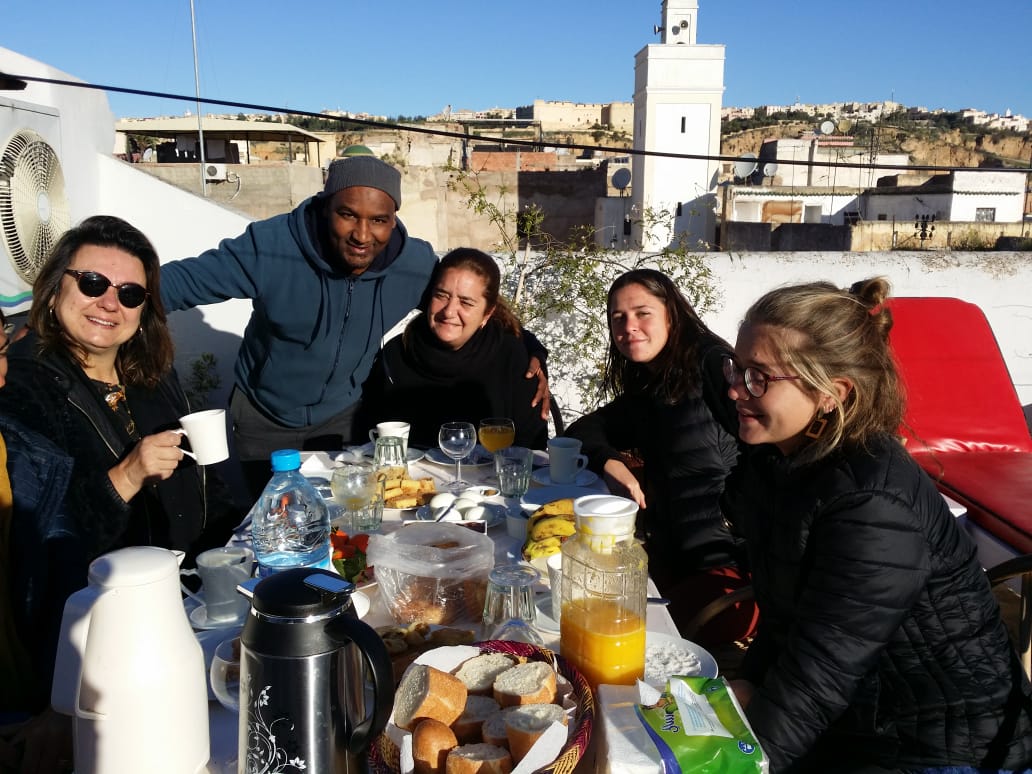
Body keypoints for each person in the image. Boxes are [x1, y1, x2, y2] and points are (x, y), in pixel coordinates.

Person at [722, 277, 1032, 772]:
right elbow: (793, 624)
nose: (737, 389)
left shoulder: (871, 500)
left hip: (940, 747)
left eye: (759, 377)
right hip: (861, 718)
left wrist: (744, 762)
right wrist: (749, 684)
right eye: (736, 369)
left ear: (831, 393)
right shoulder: (784, 462)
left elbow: (822, 669)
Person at [159, 155, 550, 499]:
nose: (363, 235)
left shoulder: (413, 266)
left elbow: (472, 306)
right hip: (264, 420)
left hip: (345, 420)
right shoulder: (270, 246)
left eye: (378, 220)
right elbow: (178, 284)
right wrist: (111, 303)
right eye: (348, 214)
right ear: (327, 206)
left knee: (343, 521)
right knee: (276, 525)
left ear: (393, 219)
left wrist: (531, 352)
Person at [0, 215, 238, 569]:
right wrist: (127, 476)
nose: (110, 303)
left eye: (129, 294)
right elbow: (38, 540)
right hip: (102, 605)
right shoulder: (22, 386)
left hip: (193, 586)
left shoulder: (153, 374)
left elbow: (205, 483)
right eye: (92, 283)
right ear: (54, 290)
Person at [565, 269, 752, 645]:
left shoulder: (714, 367)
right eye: (618, 318)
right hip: (669, 560)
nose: (629, 326)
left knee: (607, 630)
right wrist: (609, 461)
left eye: (642, 313)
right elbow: (583, 430)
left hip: (727, 576)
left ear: (672, 315)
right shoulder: (654, 383)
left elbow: (767, 457)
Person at [358, 248, 547, 449]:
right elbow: (370, 438)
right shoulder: (396, 356)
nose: (449, 311)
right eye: (441, 295)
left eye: (466, 302)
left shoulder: (512, 356)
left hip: (491, 479)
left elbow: (532, 447)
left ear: (487, 313)